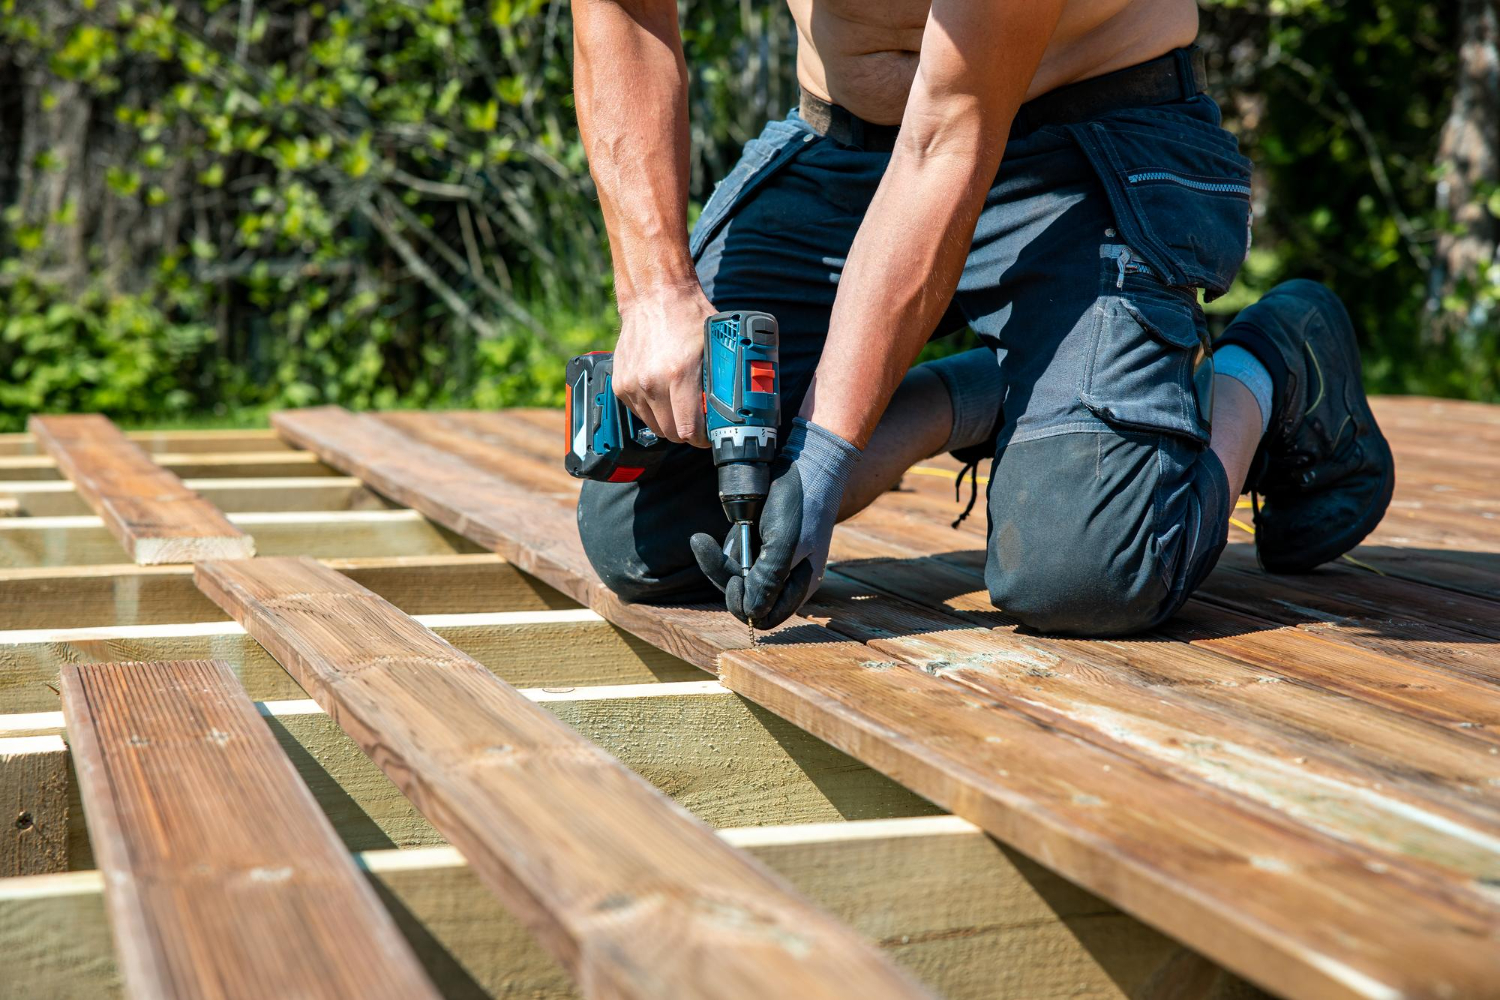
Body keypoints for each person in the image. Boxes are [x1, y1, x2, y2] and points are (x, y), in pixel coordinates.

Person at [569, 0, 1394, 635]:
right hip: (845, 149)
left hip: (1084, 139)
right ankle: (988, 395)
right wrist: (657, 296)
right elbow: (625, 14)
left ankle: (1270, 367)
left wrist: (822, 462)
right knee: (653, 536)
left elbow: (949, 136)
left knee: (1088, 572)